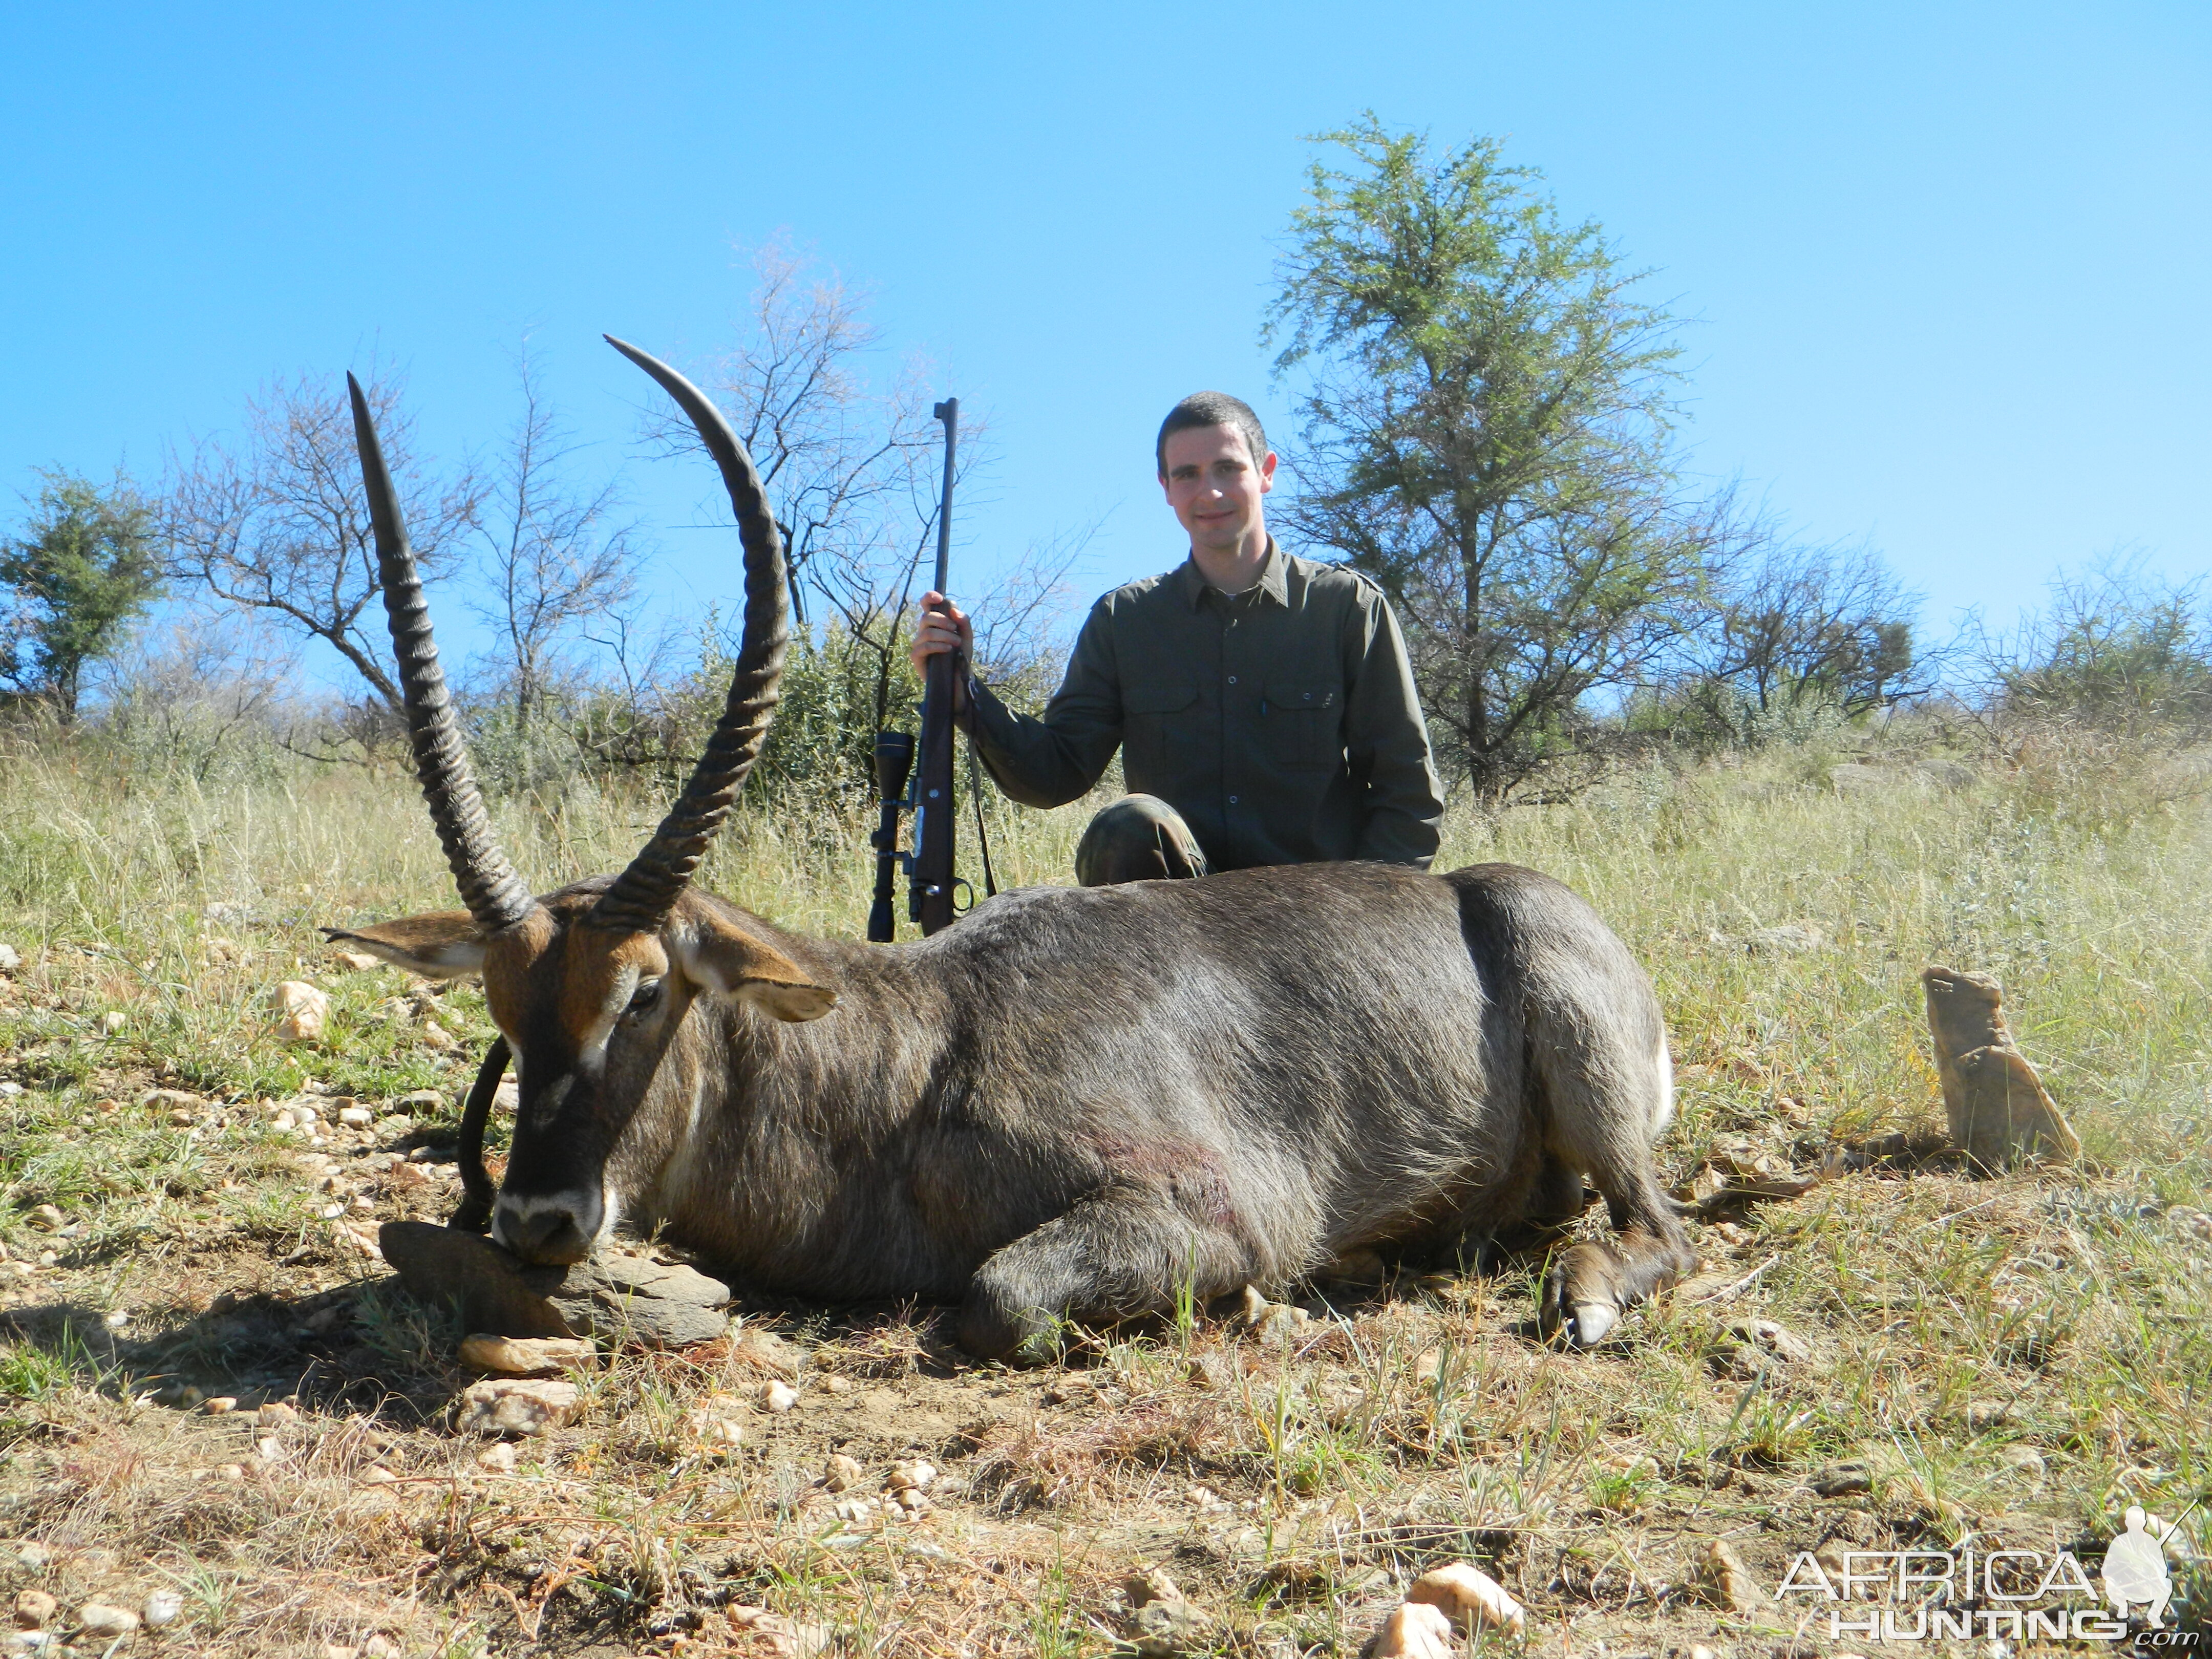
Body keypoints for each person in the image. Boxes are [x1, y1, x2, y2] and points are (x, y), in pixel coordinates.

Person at [909, 391, 1443, 885]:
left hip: (1314, 922)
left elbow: (1408, 794)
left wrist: (1364, 918)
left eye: (1228, 469)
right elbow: (1054, 776)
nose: (1209, 492)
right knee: (1129, 824)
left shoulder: (1347, 608)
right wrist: (965, 698)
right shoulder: (1124, 621)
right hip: (1172, 937)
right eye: (1187, 474)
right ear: (1165, 488)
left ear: (1266, 473)